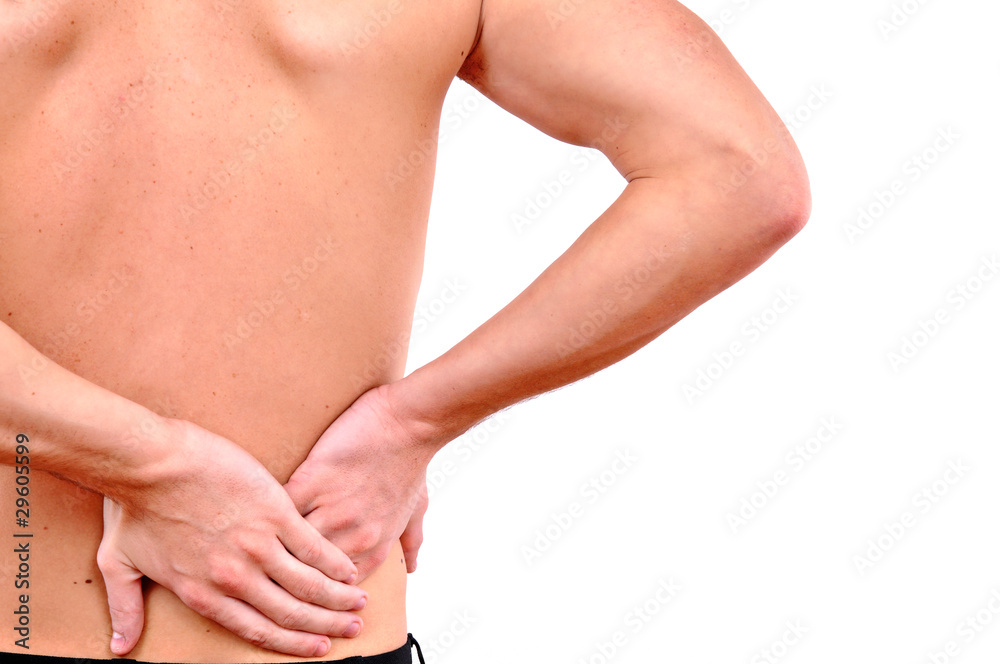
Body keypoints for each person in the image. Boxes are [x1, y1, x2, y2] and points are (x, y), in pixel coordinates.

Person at [0, 0, 810, 661]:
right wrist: (413, 421)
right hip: (309, 638)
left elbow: (746, 182)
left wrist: (147, 462)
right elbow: (741, 175)